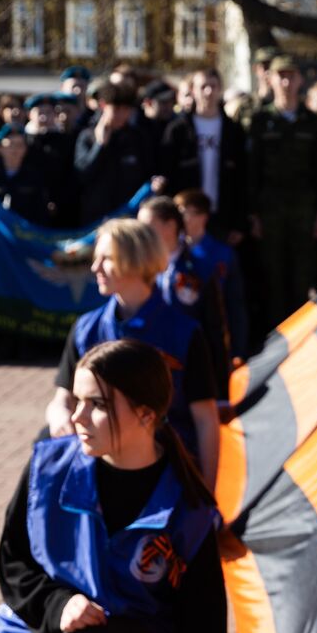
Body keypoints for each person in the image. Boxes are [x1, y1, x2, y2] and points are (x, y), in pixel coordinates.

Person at [0, 338, 240, 633]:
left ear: (147, 414)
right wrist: (57, 604)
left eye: (97, 405)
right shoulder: (49, 466)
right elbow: (12, 562)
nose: (77, 417)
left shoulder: (186, 510)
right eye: (77, 400)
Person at [45, 219, 220, 489]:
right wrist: (58, 419)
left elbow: (206, 419)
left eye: (106, 259)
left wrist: (207, 493)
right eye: (96, 258)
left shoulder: (184, 333)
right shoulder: (86, 329)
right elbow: (61, 400)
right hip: (99, 466)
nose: (95, 268)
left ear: (136, 259)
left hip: (163, 473)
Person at [246, 55, 317, 332]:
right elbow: (251, 171)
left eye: (291, 76)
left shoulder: (314, 123)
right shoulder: (260, 121)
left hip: (303, 211)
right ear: (270, 79)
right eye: (281, 76)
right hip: (270, 211)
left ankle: (300, 337)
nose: (286, 82)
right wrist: (253, 214)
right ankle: (274, 341)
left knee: (301, 278)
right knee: (272, 278)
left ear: (300, 80)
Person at [137, 195, 231, 393]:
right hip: (149, 374)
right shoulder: (138, 270)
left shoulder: (199, 269)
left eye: (147, 227)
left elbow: (215, 330)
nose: (141, 235)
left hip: (190, 372)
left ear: (170, 226)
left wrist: (221, 391)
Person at [157, 68, 249, 243]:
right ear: (192, 91)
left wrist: (239, 222)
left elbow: (241, 178)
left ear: (220, 89)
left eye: (213, 86)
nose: (208, 91)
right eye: (203, 86)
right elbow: (167, 173)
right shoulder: (178, 130)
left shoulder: (233, 130)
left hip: (223, 214)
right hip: (186, 215)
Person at [175, 188, 249, 363]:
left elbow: (235, 304)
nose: (181, 219)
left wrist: (238, 350)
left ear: (203, 217)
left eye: (186, 213)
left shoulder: (222, 254)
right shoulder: (171, 254)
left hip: (212, 339)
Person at [74, 84, 156, 225]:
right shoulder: (87, 136)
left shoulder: (138, 138)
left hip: (129, 218)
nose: (122, 115)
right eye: (116, 109)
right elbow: (82, 174)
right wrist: (100, 146)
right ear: (103, 105)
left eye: (126, 110)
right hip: (95, 220)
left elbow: (147, 174)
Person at [0, 124, 58, 228]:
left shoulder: (34, 177)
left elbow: (40, 212)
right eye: (10, 144)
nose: (15, 150)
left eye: (20, 145)